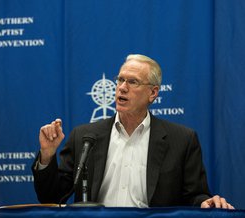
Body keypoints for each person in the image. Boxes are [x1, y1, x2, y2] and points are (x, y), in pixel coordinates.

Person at [32, 54, 234, 209]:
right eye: (120, 80)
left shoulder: (182, 140)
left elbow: (194, 196)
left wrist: (207, 202)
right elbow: (52, 198)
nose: (121, 88)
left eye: (133, 82)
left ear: (153, 93)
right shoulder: (85, 137)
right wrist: (47, 156)